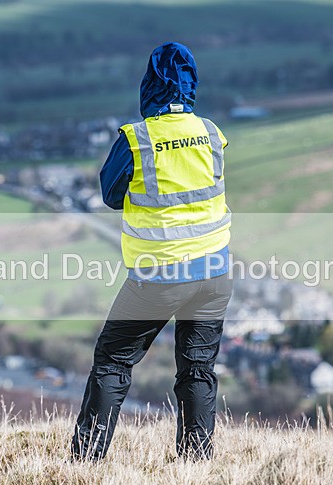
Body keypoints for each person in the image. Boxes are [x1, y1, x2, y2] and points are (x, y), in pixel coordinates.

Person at [71, 42, 233, 461]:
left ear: (149, 86)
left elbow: (110, 194)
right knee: (198, 369)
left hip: (159, 273)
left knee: (112, 360)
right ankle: (195, 463)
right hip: (215, 268)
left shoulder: (137, 138)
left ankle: (86, 462)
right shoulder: (212, 133)